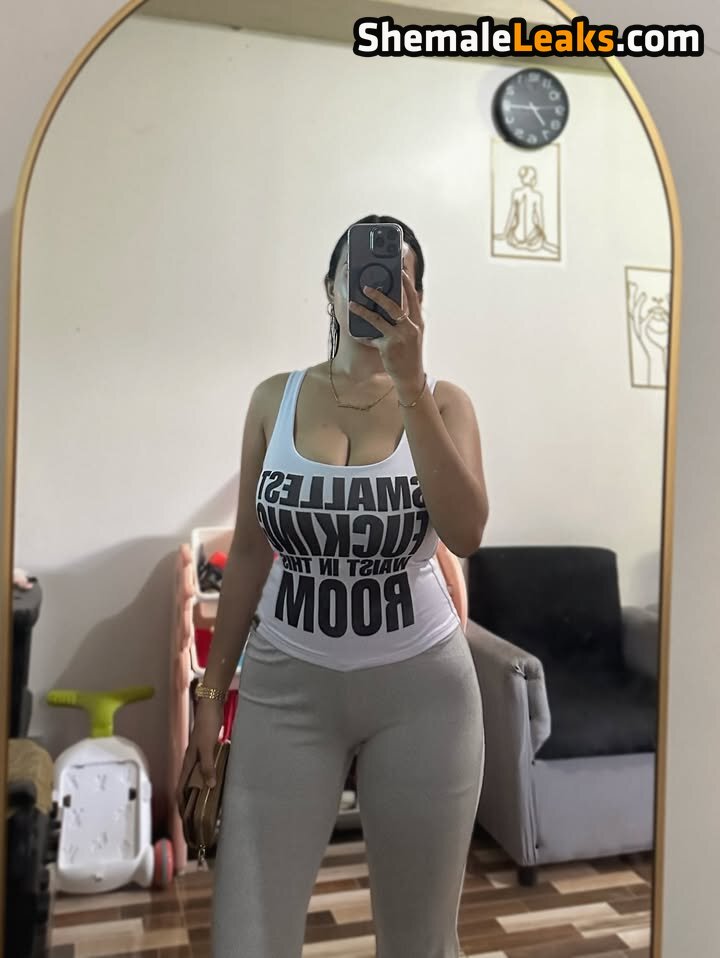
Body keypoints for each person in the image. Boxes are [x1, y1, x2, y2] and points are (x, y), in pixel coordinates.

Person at [177, 214, 489, 958]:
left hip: (424, 696)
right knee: (246, 936)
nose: (373, 288)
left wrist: (409, 385)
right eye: (358, 273)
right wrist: (210, 697)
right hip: (285, 690)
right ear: (330, 288)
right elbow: (248, 552)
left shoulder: (445, 403)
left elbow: (466, 532)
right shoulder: (273, 400)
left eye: (395, 278)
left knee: (420, 942)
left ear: (417, 298)